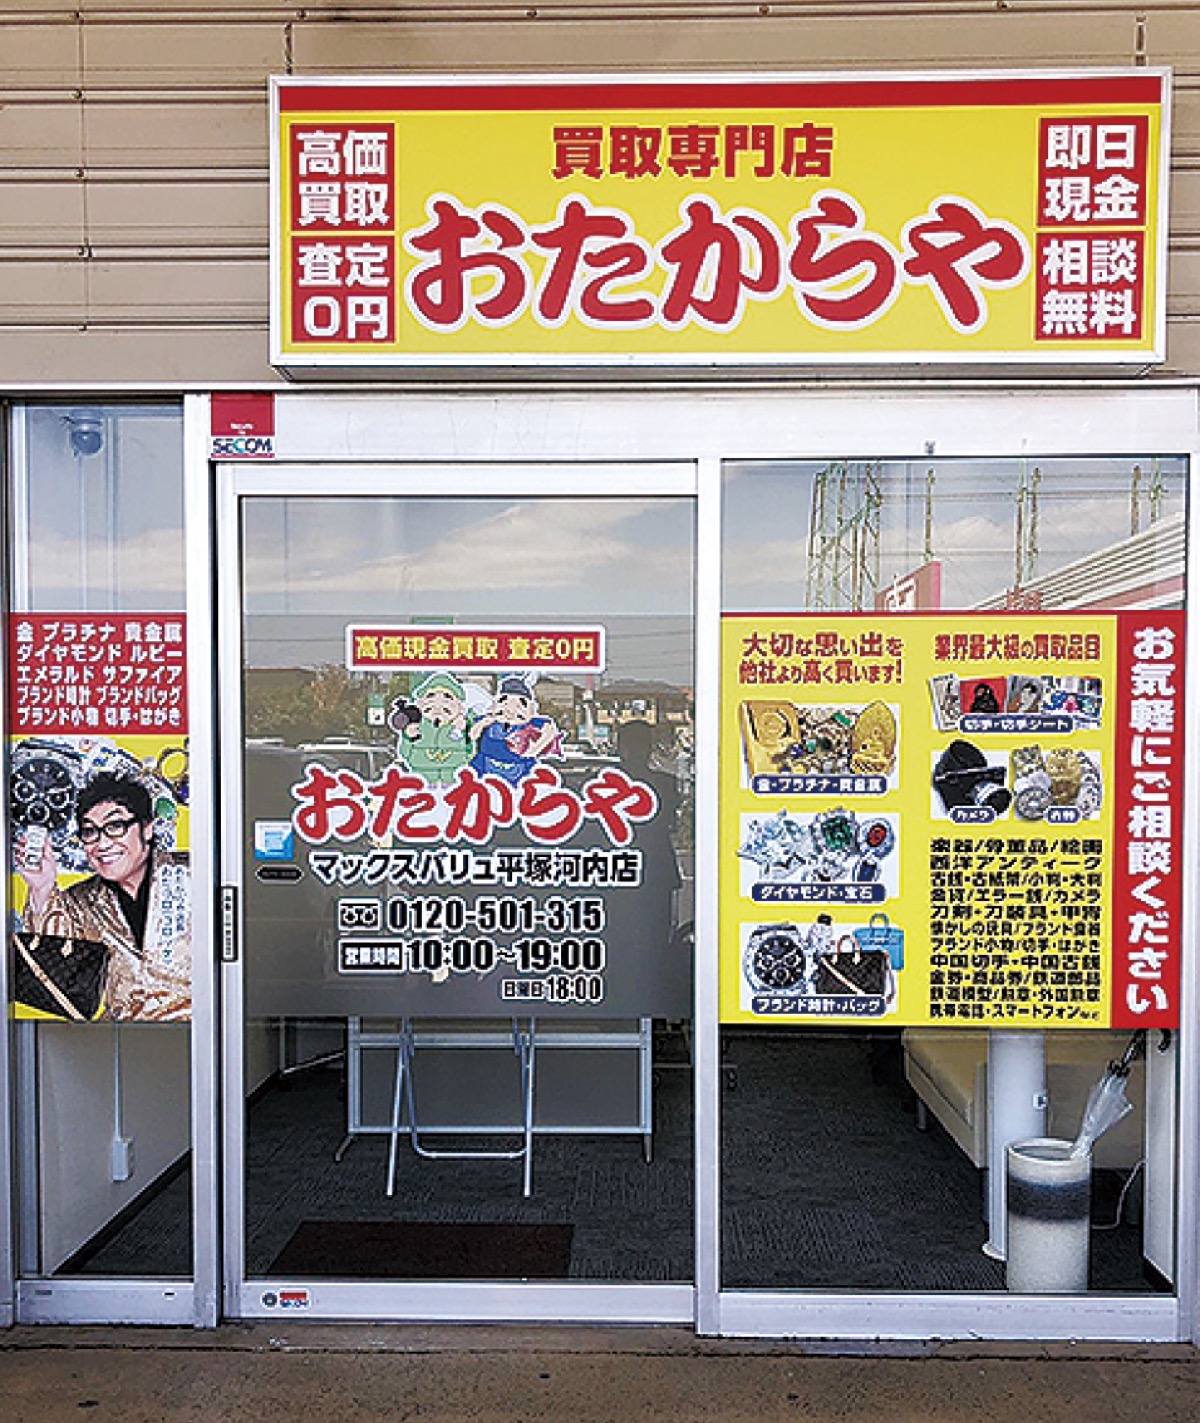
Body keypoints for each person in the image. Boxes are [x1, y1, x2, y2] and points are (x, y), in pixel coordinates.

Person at [18, 771, 191, 1022]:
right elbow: (52, 976)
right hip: (118, 1036)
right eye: (90, 832)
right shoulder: (79, 901)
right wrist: (41, 887)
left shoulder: (194, 875)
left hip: (202, 1030)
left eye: (115, 827)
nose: (102, 843)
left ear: (147, 829)